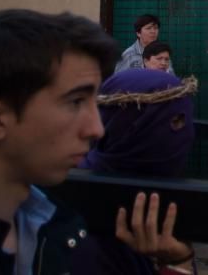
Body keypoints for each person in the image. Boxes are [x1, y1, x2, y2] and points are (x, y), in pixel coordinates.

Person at [0, 9, 186, 274]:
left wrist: (176, 265)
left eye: (95, 103)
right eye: (75, 102)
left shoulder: (67, 226)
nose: (96, 129)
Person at [75, 69, 198, 274]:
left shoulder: (153, 197)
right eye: (175, 122)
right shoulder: (81, 220)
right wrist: (179, 264)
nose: (185, 132)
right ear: (131, 126)